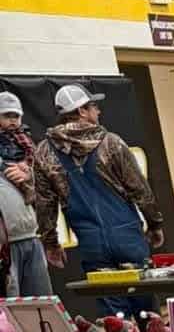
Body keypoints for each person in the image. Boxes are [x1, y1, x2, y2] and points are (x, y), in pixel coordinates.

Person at [31, 83, 162, 277]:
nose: (98, 111)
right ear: (82, 111)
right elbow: (140, 190)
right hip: (127, 237)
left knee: (109, 302)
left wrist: (50, 244)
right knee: (141, 300)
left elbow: (45, 205)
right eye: (94, 106)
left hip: (90, 242)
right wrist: (154, 224)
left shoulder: (44, 151)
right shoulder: (111, 142)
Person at [0, 93, 50, 298]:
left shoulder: (28, 147)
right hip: (6, 245)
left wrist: (29, 175)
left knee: (41, 303)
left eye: (16, 115)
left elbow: (48, 189)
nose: (12, 121)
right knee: (10, 310)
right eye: (6, 115)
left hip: (32, 236)